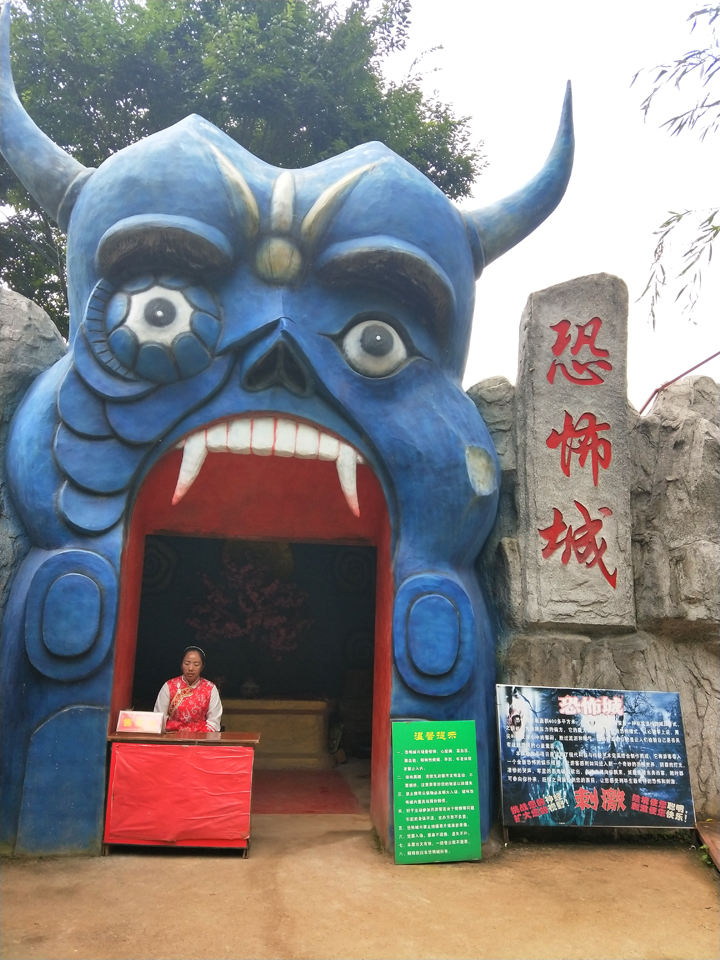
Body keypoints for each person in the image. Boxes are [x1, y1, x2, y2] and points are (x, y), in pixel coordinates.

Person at [154, 645, 222, 732]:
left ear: (202, 667)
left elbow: (214, 723)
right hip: (172, 738)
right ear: (181, 664)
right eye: (187, 663)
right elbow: (159, 718)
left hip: (200, 739)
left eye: (196, 664)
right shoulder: (169, 686)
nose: (190, 668)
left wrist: (199, 739)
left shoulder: (210, 688)